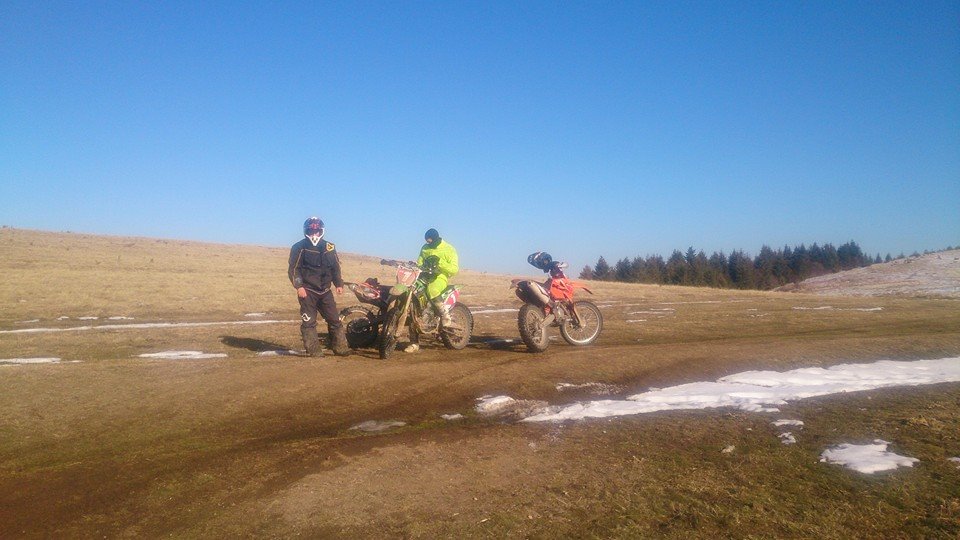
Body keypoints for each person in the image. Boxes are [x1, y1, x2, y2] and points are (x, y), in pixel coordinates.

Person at [288, 217, 350, 357]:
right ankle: (314, 351)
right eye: (311, 231)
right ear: (306, 231)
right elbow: (294, 269)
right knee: (309, 322)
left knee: (335, 320)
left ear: (321, 231)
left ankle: (340, 348)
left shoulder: (330, 247)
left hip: (326, 291)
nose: (314, 234)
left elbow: (335, 267)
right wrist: (299, 286)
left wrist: (338, 284)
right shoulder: (299, 247)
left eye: (317, 231)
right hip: (308, 291)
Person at [404, 228, 459, 353]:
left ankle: (445, 316)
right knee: (413, 302)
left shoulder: (449, 249)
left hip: (440, 277)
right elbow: (420, 263)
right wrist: (417, 265)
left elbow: (454, 269)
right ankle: (414, 343)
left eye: (430, 241)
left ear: (436, 239)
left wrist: (439, 264)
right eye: (426, 241)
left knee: (432, 289)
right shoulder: (425, 247)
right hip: (424, 277)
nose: (428, 243)